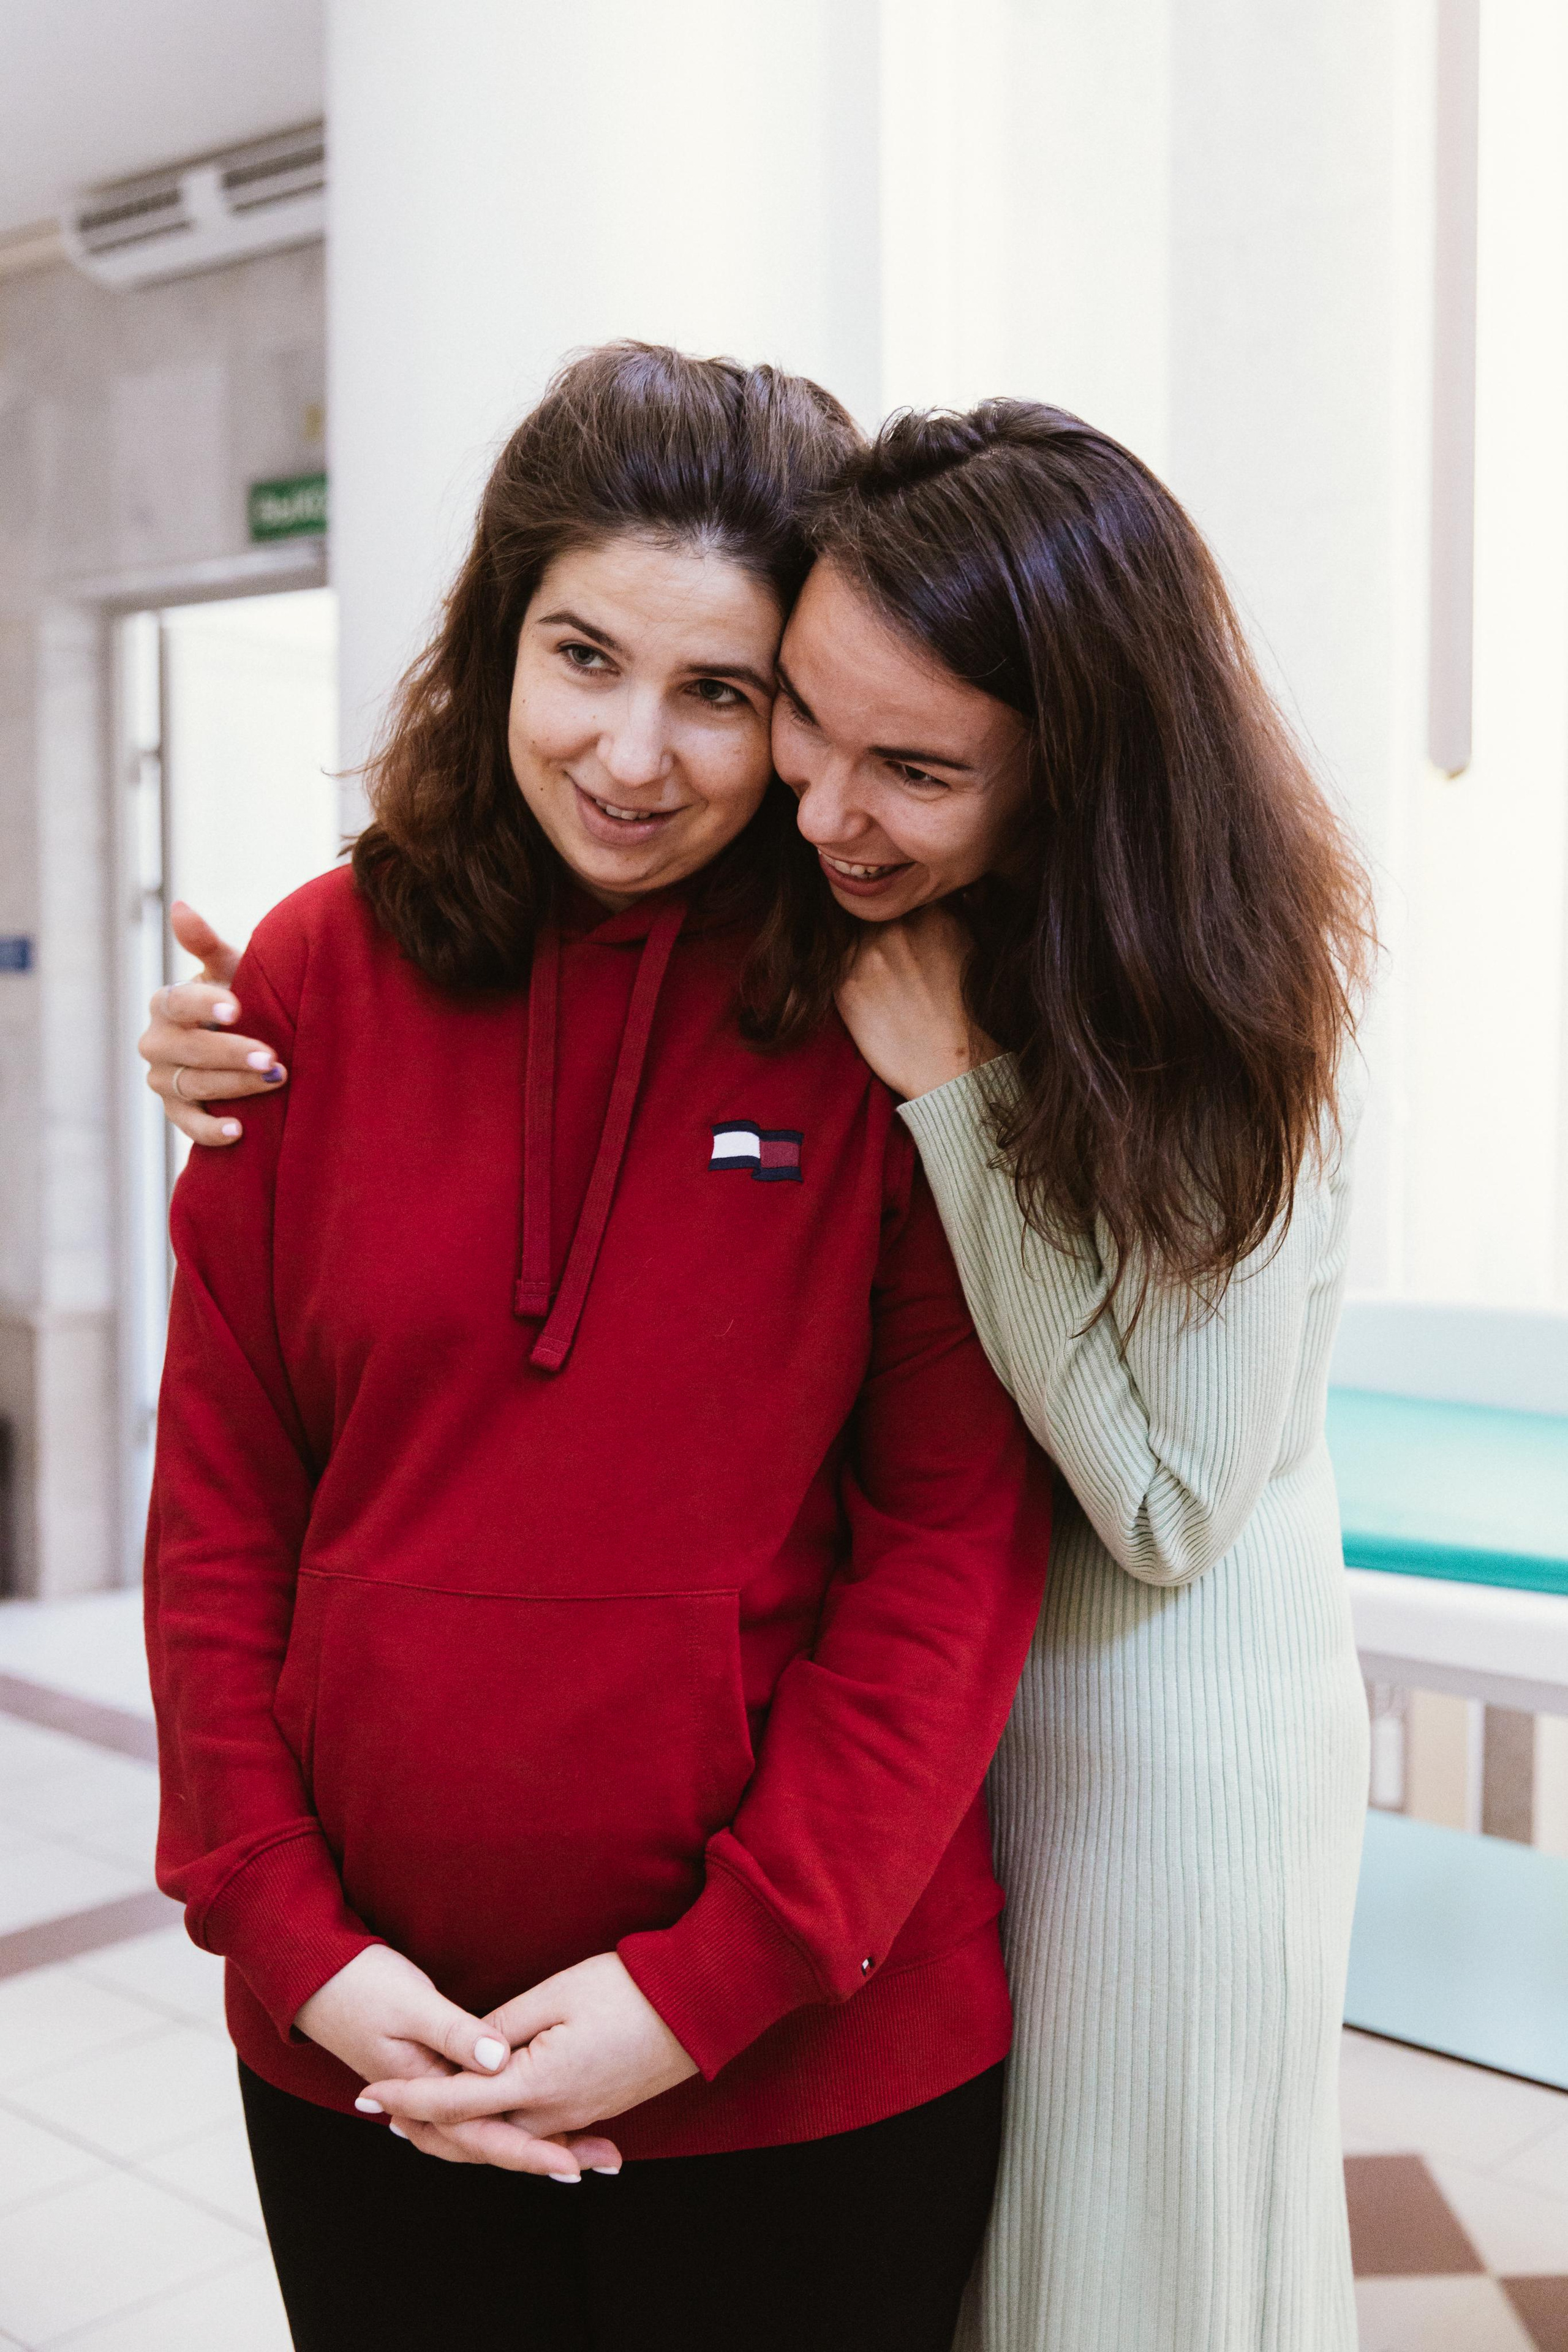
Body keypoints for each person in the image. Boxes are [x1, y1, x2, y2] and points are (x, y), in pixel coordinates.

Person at [144, 389, 1374, 2352]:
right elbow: (221, 1513)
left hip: (829, 2041)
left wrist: (706, 1985)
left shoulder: (912, 1005)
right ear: (499, 638)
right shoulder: (299, 981)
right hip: (364, 2041)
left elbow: (947, 1551)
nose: (634, 755)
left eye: (720, 692)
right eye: (582, 656)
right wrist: (294, 1943)